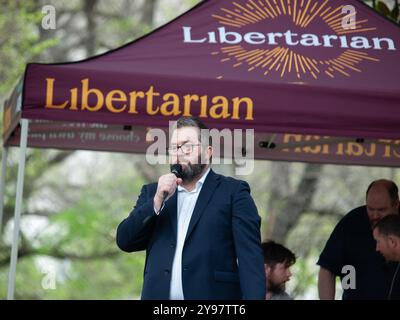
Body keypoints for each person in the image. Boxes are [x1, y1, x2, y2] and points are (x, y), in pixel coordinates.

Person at [116, 116, 266, 300]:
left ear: (207, 151)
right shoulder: (153, 193)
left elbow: (250, 260)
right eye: (174, 148)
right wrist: (156, 202)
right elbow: (125, 241)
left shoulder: (233, 193)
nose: (179, 153)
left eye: (187, 146)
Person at [317, 179, 400, 300]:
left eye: (382, 210)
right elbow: (327, 267)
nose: (375, 215)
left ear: (396, 204)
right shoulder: (351, 222)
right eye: (370, 209)